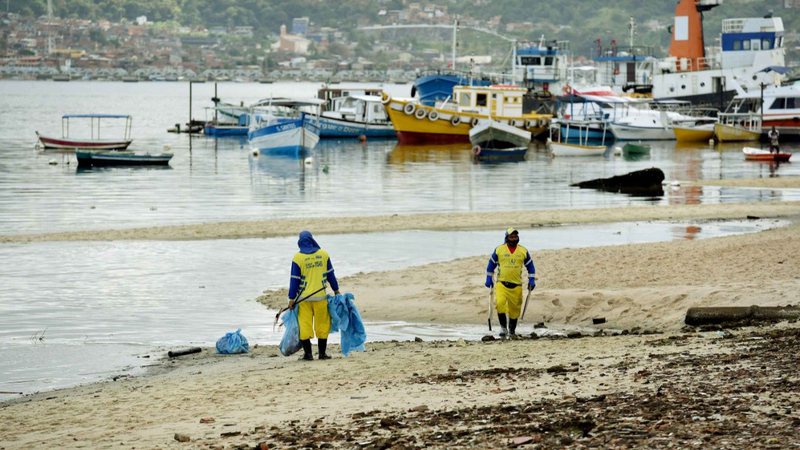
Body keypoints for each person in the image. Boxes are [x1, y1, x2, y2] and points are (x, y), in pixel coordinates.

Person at [288, 231, 340, 361]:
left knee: (304, 325)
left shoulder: (298, 258)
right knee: (322, 324)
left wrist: (291, 298)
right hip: (320, 297)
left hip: (303, 299)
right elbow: (330, 275)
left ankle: (308, 354)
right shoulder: (323, 254)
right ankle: (322, 354)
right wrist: (336, 290)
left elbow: (294, 280)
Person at [484, 227, 536, 338]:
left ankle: (512, 331)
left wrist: (531, 279)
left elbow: (530, 266)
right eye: (511, 236)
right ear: (506, 237)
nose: (513, 238)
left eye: (515, 236)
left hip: (516, 286)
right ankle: (503, 328)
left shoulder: (523, 251)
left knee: (514, 311)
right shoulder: (499, 250)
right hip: (501, 284)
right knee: (500, 304)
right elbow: (491, 265)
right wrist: (489, 278)